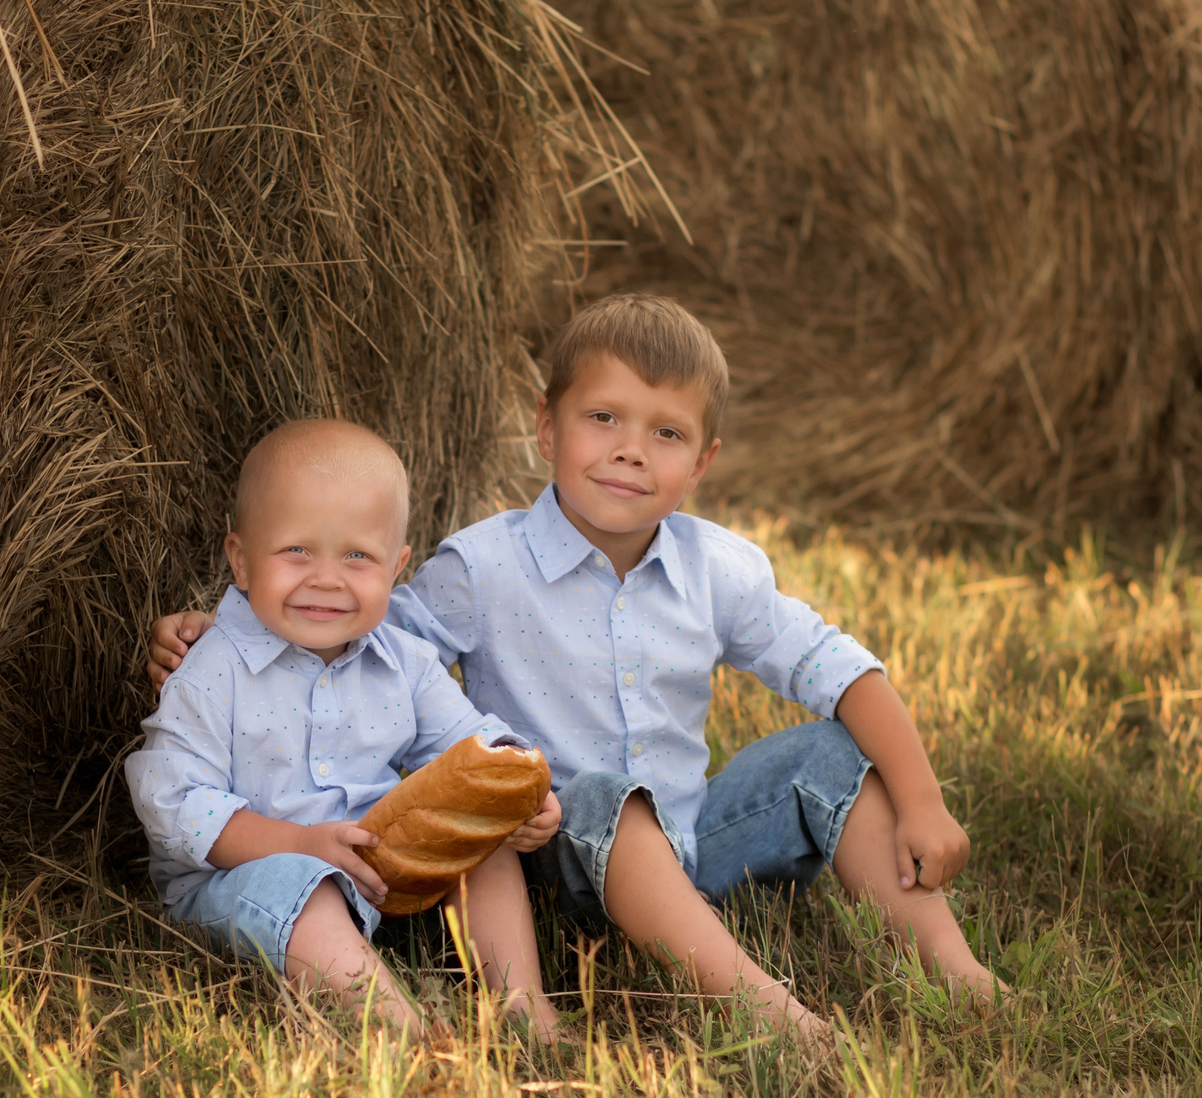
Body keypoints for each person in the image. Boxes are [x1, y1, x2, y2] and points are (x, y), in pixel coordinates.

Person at [149, 296, 997, 1045]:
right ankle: (759, 1002)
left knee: (832, 753)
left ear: (701, 461)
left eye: (666, 433)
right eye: (604, 419)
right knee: (600, 793)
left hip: (690, 843)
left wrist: (922, 801)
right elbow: (363, 635)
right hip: (555, 853)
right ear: (547, 428)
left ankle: (959, 976)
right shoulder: (481, 566)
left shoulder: (720, 568)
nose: (632, 451)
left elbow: (838, 668)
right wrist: (232, 616)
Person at [125, 418, 563, 1038]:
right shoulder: (210, 669)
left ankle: (523, 1005)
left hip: (376, 868)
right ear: (241, 561)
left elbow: (473, 742)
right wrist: (302, 846)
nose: (326, 578)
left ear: (397, 567)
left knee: (481, 841)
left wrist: (520, 784)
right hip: (247, 881)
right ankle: (405, 1030)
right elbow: (176, 807)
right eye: (297, 550)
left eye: (358, 556)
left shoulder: (405, 663)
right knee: (308, 891)